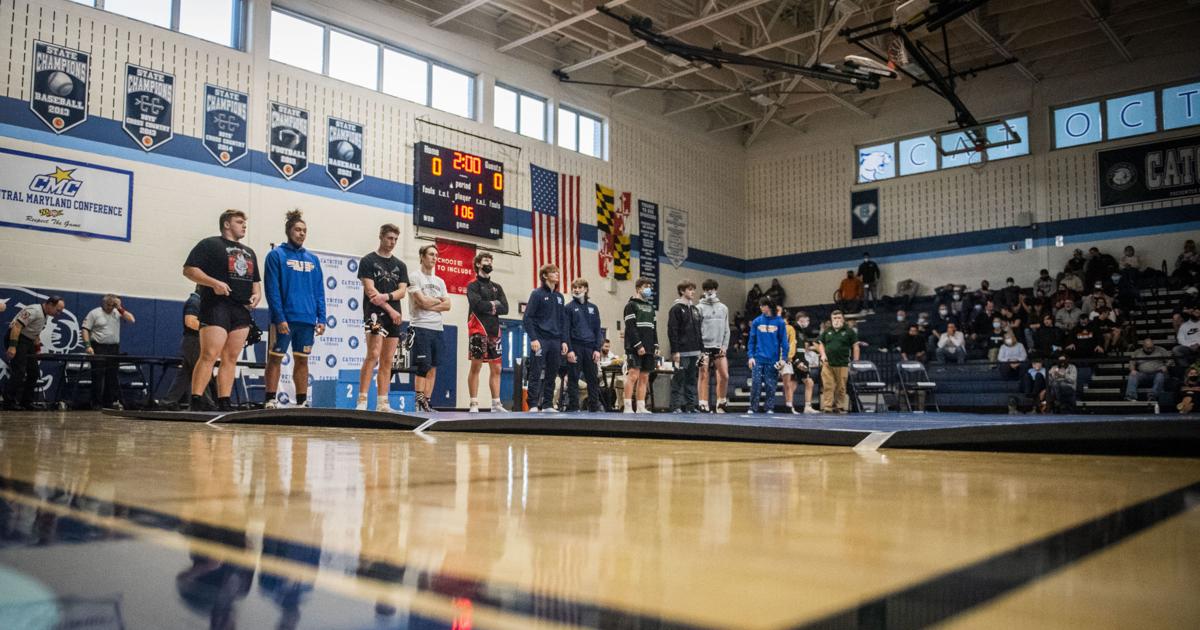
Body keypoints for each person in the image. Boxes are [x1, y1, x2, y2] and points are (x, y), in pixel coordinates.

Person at [183, 209, 261, 412]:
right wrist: (213, 283)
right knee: (209, 353)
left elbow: (256, 282)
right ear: (227, 224)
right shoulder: (209, 244)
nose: (244, 225)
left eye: (245, 222)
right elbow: (189, 270)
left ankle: (224, 401)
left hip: (240, 309)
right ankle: (197, 399)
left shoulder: (249, 252)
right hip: (216, 305)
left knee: (231, 357)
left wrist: (257, 295)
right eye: (239, 221)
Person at [262, 210, 325, 409]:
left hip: (307, 320)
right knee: (275, 359)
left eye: (304, 230)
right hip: (284, 320)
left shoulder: (313, 260)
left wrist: (321, 318)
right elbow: (272, 290)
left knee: (302, 361)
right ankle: (270, 399)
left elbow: (319, 291)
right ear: (289, 231)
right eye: (297, 230)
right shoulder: (275, 256)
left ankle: (301, 401)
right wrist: (279, 318)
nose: (301, 234)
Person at [355, 224, 409, 412]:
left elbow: (402, 291)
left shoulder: (400, 265)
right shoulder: (368, 261)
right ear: (381, 237)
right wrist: (389, 308)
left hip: (394, 317)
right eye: (389, 238)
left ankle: (382, 402)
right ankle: (362, 400)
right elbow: (371, 291)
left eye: (395, 239)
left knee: (388, 359)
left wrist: (387, 299)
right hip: (375, 314)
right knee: (373, 354)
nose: (392, 242)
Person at [408, 244, 451, 413]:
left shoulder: (440, 281)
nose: (434, 258)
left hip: (437, 328)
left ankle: (427, 402)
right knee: (423, 366)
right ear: (422, 256)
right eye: (431, 254)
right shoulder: (414, 276)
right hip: (420, 326)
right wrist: (437, 301)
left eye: (436, 255)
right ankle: (418, 402)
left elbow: (448, 305)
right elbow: (421, 302)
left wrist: (430, 303)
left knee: (433, 366)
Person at [465, 253, 509, 413]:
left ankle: (496, 404)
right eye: (486, 261)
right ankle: (474, 403)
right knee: (476, 366)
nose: (489, 263)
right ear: (478, 264)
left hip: (494, 330)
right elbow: (477, 305)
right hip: (478, 329)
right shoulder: (473, 285)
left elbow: (505, 308)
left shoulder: (497, 287)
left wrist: (489, 305)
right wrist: (494, 305)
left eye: (491, 260)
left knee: (496, 368)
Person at [3, 295, 65, 410]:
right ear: (50, 305)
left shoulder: (45, 315)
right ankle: (8, 402)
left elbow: (35, 334)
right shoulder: (34, 310)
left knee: (34, 372)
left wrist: (37, 350)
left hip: (28, 341)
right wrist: (12, 346)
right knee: (19, 372)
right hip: (17, 338)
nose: (58, 313)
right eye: (58, 310)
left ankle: (26, 402)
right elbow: (16, 327)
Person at [524, 264, 567, 413]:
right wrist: (533, 339)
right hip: (541, 340)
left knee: (552, 373)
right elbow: (527, 318)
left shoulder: (560, 297)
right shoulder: (537, 294)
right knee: (535, 373)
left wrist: (564, 341)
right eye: (553, 272)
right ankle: (533, 404)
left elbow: (563, 321)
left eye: (557, 272)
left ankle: (548, 404)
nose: (557, 274)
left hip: (556, 341)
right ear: (544, 276)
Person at [81, 294, 136, 410]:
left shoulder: (117, 312)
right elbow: (85, 329)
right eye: (109, 305)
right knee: (97, 376)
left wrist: (120, 308)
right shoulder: (94, 313)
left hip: (113, 348)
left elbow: (131, 319)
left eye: (113, 305)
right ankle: (96, 403)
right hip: (98, 347)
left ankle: (108, 403)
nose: (110, 307)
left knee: (111, 376)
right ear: (103, 303)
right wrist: (88, 346)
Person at [164, 290, 213, 409]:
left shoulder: (197, 301)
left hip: (193, 341)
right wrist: (209, 330)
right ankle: (206, 403)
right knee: (201, 370)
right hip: (194, 341)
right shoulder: (195, 301)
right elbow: (190, 322)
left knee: (185, 374)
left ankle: (169, 401)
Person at [564, 278, 603, 412]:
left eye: (580, 287)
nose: (576, 290)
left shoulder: (593, 308)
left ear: (585, 289)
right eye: (574, 287)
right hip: (575, 347)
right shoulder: (568, 307)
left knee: (592, 379)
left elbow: (598, 330)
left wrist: (597, 349)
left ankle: (594, 407)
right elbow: (565, 331)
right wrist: (569, 350)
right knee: (573, 379)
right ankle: (574, 407)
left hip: (591, 348)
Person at [622, 278, 658, 414]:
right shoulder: (630, 305)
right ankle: (627, 406)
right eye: (645, 286)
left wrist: (655, 344)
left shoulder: (650, 307)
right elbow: (631, 328)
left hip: (649, 347)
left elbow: (654, 328)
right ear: (638, 288)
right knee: (633, 375)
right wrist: (638, 345)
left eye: (650, 286)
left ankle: (641, 406)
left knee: (644, 377)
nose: (648, 289)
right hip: (634, 347)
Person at [667, 280, 703, 413]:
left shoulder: (695, 309)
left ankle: (691, 406)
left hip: (694, 351)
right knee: (678, 379)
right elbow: (672, 330)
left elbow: (699, 330)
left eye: (693, 289)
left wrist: (701, 350)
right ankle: (675, 406)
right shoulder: (676, 309)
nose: (693, 292)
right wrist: (675, 350)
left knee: (691, 380)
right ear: (682, 291)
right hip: (681, 351)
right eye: (689, 289)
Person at [747, 298, 788, 414]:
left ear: (769, 306)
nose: (761, 308)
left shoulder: (780, 322)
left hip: (773, 360)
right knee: (756, 384)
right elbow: (751, 341)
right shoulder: (756, 321)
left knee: (771, 385)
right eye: (760, 305)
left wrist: (783, 359)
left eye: (763, 305)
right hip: (758, 359)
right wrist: (750, 356)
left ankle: (769, 408)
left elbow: (784, 342)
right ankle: (752, 408)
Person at [696, 279, 730, 414]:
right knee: (703, 374)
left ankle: (721, 402)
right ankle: (703, 403)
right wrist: (699, 348)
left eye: (712, 289)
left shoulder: (723, 308)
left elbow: (727, 329)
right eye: (706, 289)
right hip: (704, 346)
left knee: (724, 375)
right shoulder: (698, 308)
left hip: (718, 346)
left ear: (716, 289)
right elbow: (696, 330)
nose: (709, 291)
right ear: (703, 291)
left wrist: (725, 345)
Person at [817, 309, 857, 414]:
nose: (837, 320)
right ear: (831, 319)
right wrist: (823, 355)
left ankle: (839, 406)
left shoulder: (849, 331)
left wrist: (855, 361)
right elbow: (821, 343)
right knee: (828, 385)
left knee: (841, 386)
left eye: (839, 318)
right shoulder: (827, 331)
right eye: (834, 318)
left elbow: (855, 346)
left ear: (843, 319)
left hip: (842, 363)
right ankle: (827, 407)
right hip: (828, 363)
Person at [1125, 338, 1170, 403]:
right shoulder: (1137, 352)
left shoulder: (1161, 350)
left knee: (1160, 375)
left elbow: (1170, 360)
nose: (1150, 349)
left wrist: (1166, 366)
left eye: (1151, 347)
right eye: (1148, 348)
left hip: (1157, 373)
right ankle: (1131, 397)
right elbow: (1131, 363)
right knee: (1132, 375)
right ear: (1143, 346)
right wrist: (1132, 369)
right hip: (1143, 374)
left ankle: (1152, 396)